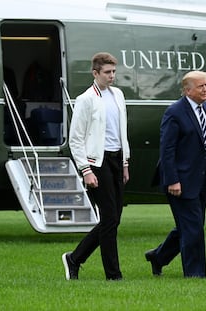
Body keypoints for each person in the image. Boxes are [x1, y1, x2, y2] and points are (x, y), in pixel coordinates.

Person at [146, 70, 206, 278]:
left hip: (202, 179)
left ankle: (159, 257)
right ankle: (195, 274)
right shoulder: (174, 112)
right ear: (187, 90)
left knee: (190, 225)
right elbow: (167, 149)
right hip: (180, 181)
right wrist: (172, 179)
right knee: (192, 229)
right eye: (201, 86)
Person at [62, 52, 130, 281]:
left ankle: (75, 258)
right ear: (95, 73)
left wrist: (125, 163)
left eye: (113, 72)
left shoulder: (118, 95)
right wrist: (85, 169)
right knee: (109, 218)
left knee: (113, 219)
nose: (112, 76)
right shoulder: (86, 99)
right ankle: (113, 275)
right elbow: (76, 138)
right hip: (96, 162)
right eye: (107, 72)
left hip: (116, 160)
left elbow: (122, 132)